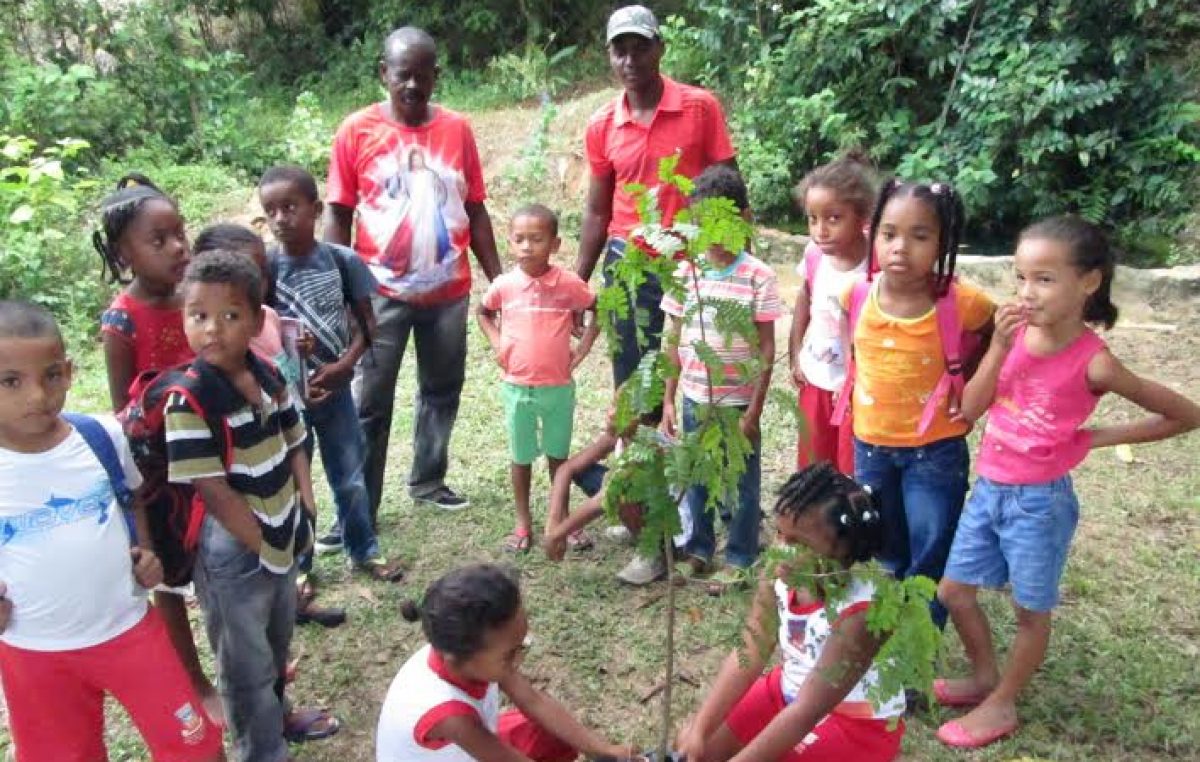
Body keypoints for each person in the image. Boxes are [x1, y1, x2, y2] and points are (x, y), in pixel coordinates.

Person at [934, 216, 1200, 749]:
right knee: (954, 592)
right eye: (1020, 278)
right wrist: (999, 349)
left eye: (1044, 279)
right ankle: (987, 678)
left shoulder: (1096, 363)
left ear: (1089, 282)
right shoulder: (1014, 337)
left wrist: (1095, 437)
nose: (1027, 293)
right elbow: (970, 409)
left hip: (1039, 503)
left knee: (1030, 610)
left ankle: (1004, 702)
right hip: (989, 488)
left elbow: (1183, 414)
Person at [0, 299, 223, 762]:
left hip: (129, 628)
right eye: (11, 382)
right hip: (34, 650)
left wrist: (142, 549)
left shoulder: (100, 436)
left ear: (69, 370)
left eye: (51, 376)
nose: (37, 397)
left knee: (192, 745)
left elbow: (132, 497)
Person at [165, 251, 340, 760]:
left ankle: (274, 729)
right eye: (198, 316)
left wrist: (305, 506)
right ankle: (261, 751)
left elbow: (294, 440)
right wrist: (263, 544)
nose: (212, 329)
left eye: (229, 316)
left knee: (275, 644)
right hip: (236, 551)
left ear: (258, 320)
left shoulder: (265, 372)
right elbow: (214, 491)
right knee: (244, 668)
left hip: (283, 531)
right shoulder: (189, 399)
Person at [324, 26, 503, 522]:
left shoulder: (457, 129)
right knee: (369, 405)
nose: (412, 86)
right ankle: (359, 510)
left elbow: (475, 207)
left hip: (448, 290)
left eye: (423, 76)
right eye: (403, 75)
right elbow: (338, 213)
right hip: (378, 292)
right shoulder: (356, 131)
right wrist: (333, 284)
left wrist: (500, 280)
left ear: (435, 76)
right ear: (384, 74)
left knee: (442, 390)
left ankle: (428, 479)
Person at [93, 174, 223, 724]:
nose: (178, 247)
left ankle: (240, 658)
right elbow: (125, 408)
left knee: (223, 563)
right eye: (159, 240)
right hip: (161, 470)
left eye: (180, 233)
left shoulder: (197, 298)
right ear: (125, 254)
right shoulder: (121, 321)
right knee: (172, 579)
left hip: (217, 456)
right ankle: (194, 681)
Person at [675, 463, 905, 762]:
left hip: (853, 722)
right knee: (700, 749)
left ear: (844, 550)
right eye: (780, 534)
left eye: (798, 543)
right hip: (787, 691)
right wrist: (700, 728)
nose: (781, 549)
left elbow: (807, 712)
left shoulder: (862, 613)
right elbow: (751, 648)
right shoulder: (777, 573)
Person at [844, 180, 995, 628]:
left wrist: (965, 380)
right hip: (869, 444)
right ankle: (890, 621)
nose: (901, 248)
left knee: (931, 547)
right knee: (885, 540)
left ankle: (921, 639)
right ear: (873, 235)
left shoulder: (963, 302)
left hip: (936, 451)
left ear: (944, 242)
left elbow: (995, 334)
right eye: (889, 234)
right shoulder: (853, 294)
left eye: (920, 236)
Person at [575, 4, 737, 388]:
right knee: (636, 377)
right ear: (609, 57)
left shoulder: (700, 107)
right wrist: (578, 286)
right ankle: (639, 443)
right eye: (620, 51)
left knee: (706, 373)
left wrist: (736, 261)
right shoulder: (602, 125)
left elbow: (729, 186)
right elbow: (598, 212)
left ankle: (695, 443)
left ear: (659, 49)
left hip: (695, 262)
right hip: (630, 263)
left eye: (640, 48)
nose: (630, 60)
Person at [258, 165, 407, 584]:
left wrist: (343, 367)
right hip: (286, 397)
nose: (280, 218)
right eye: (271, 211)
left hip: (336, 390)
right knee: (291, 483)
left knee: (350, 476)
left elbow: (367, 326)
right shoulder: (265, 269)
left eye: (290, 207)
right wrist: (287, 371)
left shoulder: (341, 261)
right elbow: (259, 332)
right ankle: (301, 567)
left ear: (316, 209)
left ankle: (364, 549)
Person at [376, 563, 640, 761]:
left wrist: (604, 750)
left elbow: (534, 701)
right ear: (456, 657)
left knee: (552, 733)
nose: (519, 660)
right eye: (510, 654)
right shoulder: (450, 715)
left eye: (521, 646)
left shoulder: (469, 652)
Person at [661, 166, 782, 585]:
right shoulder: (685, 273)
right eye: (703, 222)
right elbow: (673, 340)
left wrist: (754, 410)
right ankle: (699, 548)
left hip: (738, 402)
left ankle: (741, 555)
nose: (713, 234)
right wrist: (667, 401)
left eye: (723, 222)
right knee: (696, 476)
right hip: (695, 397)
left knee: (741, 484)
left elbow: (767, 348)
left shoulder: (758, 276)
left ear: (744, 218)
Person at [478, 204, 598, 552]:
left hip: (558, 387)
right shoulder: (505, 285)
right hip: (517, 387)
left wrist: (585, 346)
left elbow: (597, 308)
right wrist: (498, 342)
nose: (527, 247)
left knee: (559, 458)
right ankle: (522, 523)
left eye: (537, 239)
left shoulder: (568, 285)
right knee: (521, 456)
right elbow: (483, 312)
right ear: (510, 243)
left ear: (555, 244)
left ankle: (561, 520)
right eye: (519, 240)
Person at [788, 154, 874, 475]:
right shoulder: (814, 256)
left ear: (862, 216)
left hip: (859, 388)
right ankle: (812, 523)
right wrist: (795, 352)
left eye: (834, 218)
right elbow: (805, 297)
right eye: (812, 219)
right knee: (813, 466)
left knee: (851, 469)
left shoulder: (876, 265)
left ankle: (848, 525)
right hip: (817, 377)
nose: (820, 230)